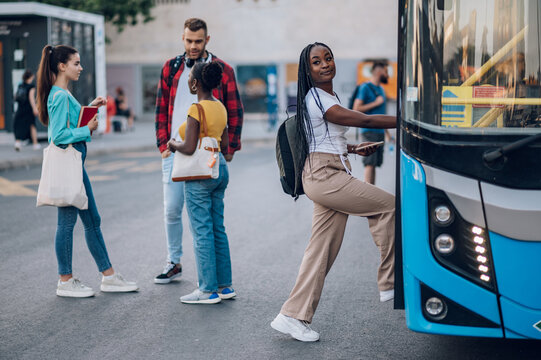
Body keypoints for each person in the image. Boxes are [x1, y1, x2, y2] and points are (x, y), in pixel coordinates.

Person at [270, 43, 396, 342]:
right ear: (308, 69)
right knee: (389, 205)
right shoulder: (316, 97)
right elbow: (363, 120)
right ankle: (390, 281)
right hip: (324, 176)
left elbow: (323, 137)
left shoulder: (327, 95)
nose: (325, 64)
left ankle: (290, 316)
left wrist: (352, 147)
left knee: (320, 251)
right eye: (316, 61)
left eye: (328, 58)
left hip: (331, 169)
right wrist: (407, 121)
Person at [36, 44, 138, 298]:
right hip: (69, 166)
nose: (81, 68)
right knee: (67, 223)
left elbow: (72, 119)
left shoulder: (61, 93)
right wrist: (87, 130)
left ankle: (109, 276)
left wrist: (92, 106)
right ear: (62, 66)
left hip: (75, 166)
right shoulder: (59, 95)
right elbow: (58, 135)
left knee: (92, 221)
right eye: (76, 63)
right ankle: (65, 280)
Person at [154, 18, 243, 284]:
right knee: (172, 209)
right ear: (183, 38)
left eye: (198, 41)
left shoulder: (222, 69)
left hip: (207, 151)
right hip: (175, 148)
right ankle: (174, 261)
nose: (193, 46)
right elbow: (160, 108)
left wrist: (231, 148)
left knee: (204, 223)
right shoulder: (170, 68)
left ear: (207, 40)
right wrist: (163, 144)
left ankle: (209, 284)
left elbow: (234, 109)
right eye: (189, 40)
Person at [167, 61, 235, 304]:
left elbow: (188, 146)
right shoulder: (221, 108)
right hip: (219, 169)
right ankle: (225, 286)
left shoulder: (196, 109)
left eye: (189, 79)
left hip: (199, 174)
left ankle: (207, 290)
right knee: (218, 228)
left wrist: (172, 144)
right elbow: (225, 144)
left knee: (201, 231)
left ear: (195, 83)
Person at [353, 62, 394, 184]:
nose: (387, 75)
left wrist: (387, 134)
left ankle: (373, 191)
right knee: (369, 163)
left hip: (379, 131)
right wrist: (376, 103)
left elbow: (382, 115)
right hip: (369, 130)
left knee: (374, 164)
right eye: (385, 72)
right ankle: (369, 194)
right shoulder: (365, 87)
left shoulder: (381, 89)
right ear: (378, 71)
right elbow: (356, 108)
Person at [13, 70, 40, 151]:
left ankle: (17, 142)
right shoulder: (31, 86)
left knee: (18, 125)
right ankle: (35, 144)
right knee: (32, 125)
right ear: (30, 77)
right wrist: (35, 108)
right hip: (28, 109)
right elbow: (31, 98)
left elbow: (16, 96)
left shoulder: (20, 85)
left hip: (20, 108)